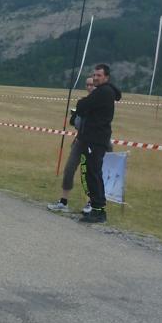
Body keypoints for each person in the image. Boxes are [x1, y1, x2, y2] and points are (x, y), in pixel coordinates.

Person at [75, 63, 122, 224]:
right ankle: (97, 208)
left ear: (106, 77)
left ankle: (98, 210)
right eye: (94, 75)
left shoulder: (103, 92)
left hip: (95, 139)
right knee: (93, 173)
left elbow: (82, 106)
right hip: (96, 138)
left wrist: (83, 103)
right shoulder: (106, 91)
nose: (95, 78)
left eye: (98, 75)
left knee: (93, 173)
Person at [47, 76, 95, 213]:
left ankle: (91, 202)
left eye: (92, 85)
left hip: (93, 143)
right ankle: (63, 201)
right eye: (87, 85)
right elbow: (78, 124)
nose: (89, 87)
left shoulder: (100, 103)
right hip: (79, 140)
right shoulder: (83, 102)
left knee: (88, 173)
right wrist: (75, 117)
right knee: (69, 169)